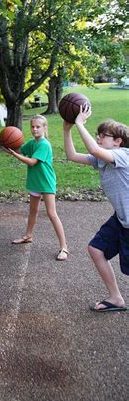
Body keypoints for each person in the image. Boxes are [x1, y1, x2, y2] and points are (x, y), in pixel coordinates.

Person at [63, 108, 128, 312]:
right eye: (98, 135)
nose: (98, 138)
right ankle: (116, 298)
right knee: (96, 249)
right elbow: (72, 155)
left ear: (118, 141)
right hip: (121, 219)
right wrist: (67, 129)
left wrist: (81, 123)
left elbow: (94, 150)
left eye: (103, 135)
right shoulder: (102, 159)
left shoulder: (123, 154)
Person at [4, 114, 69, 260]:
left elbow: (32, 162)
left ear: (45, 128)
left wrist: (15, 155)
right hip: (35, 181)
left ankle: (64, 247)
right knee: (33, 211)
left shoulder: (44, 144)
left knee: (52, 214)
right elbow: (21, 148)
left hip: (46, 182)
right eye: (32, 127)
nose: (34, 129)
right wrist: (8, 142)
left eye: (38, 127)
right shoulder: (32, 143)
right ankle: (28, 235)